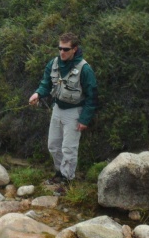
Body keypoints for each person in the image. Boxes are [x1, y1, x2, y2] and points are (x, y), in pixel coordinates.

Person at [28, 33, 97, 184]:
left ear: (74, 49)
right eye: (60, 48)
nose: (62, 52)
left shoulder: (84, 69)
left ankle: (67, 178)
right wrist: (37, 94)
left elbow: (92, 97)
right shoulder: (53, 64)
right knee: (53, 145)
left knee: (69, 148)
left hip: (74, 112)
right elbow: (46, 83)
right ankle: (59, 173)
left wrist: (84, 119)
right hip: (57, 108)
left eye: (66, 49)